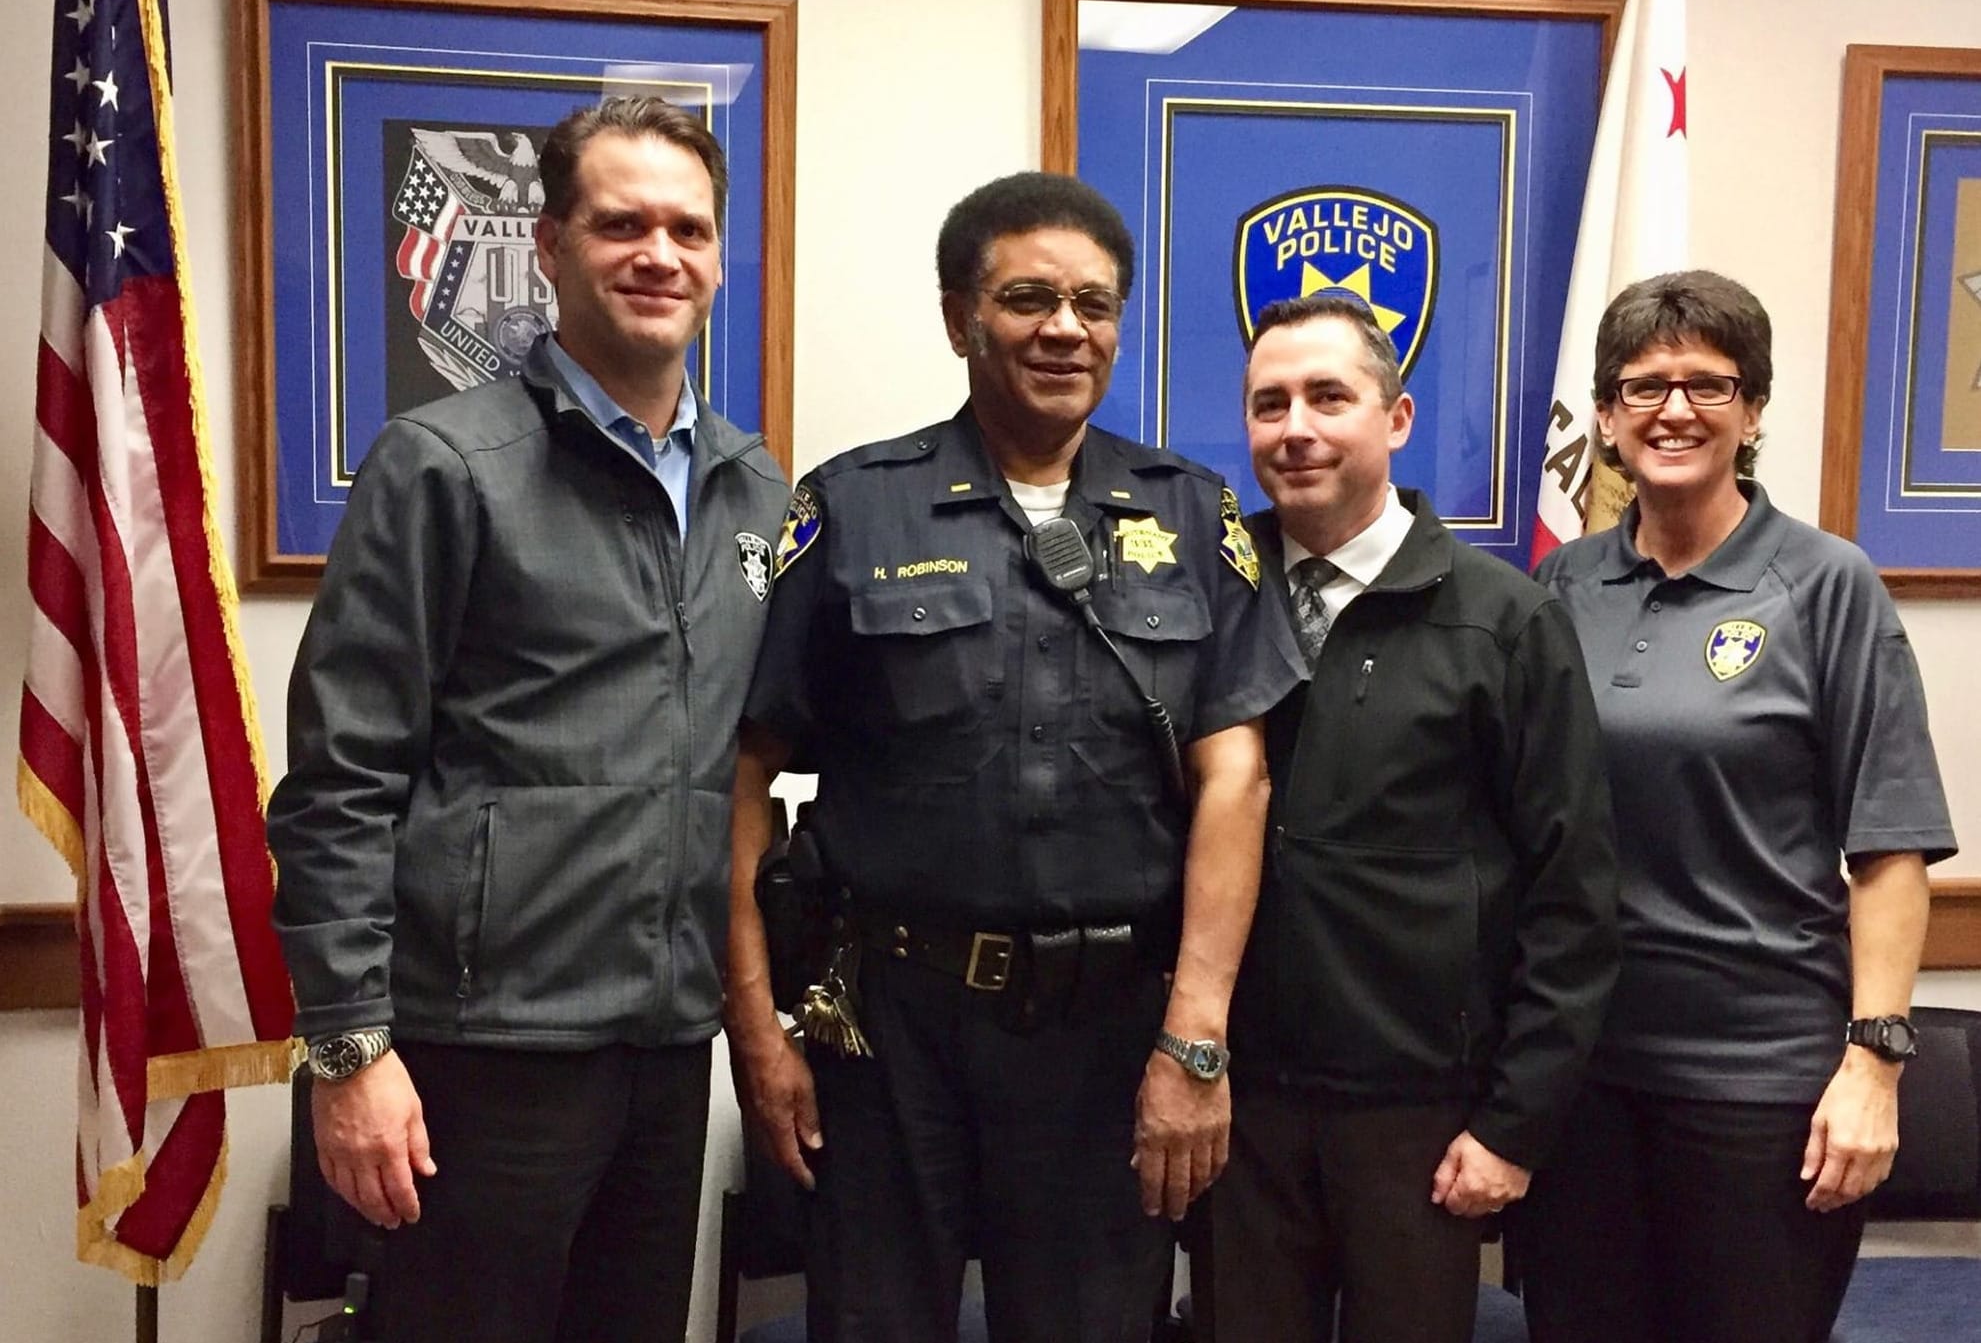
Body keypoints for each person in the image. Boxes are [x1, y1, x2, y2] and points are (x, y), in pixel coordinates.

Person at [723, 171, 1302, 1343]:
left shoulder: (1191, 516)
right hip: (887, 1027)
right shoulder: (853, 507)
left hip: (1108, 1031)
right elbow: (739, 778)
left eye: (1092, 303)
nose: (1063, 328)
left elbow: (1234, 780)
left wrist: (1194, 1037)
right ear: (959, 319)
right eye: (1027, 298)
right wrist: (754, 1033)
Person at [267, 95, 788, 1343]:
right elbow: (341, 778)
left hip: (665, 1041)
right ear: (549, 246)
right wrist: (347, 1051)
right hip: (481, 1047)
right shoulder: (443, 463)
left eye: (688, 230)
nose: (658, 254)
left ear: (720, 261)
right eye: (621, 224)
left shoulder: (753, 486)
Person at [1517, 269, 1958, 1343]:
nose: (1673, 409)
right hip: (1581, 1076)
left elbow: (1889, 847)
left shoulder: (1824, 584)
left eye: (1707, 384)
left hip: (1760, 1085)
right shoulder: (1557, 589)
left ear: (1751, 410)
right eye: (1644, 386)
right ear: (1606, 419)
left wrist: (1873, 1066)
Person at [1206, 292, 1621, 1343]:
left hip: (1423, 1118)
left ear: (1395, 418)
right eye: (1267, 404)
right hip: (1238, 1105)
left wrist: (1513, 1126)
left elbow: (1572, 893)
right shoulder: (1210, 597)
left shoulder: (1502, 618)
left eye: (1326, 397)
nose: (1294, 427)